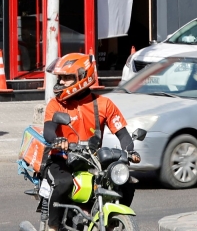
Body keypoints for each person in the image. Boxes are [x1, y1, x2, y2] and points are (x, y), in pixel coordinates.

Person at [41, 53, 140, 231]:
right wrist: (58, 141)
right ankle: (53, 227)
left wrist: (129, 151)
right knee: (64, 183)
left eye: (67, 78)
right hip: (61, 159)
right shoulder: (56, 104)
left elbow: (123, 134)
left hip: (91, 161)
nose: (61, 82)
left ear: (83, 76)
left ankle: (110, 221)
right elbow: (48, 130)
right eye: (60, 78)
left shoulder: (104, 104)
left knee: (125, 183)